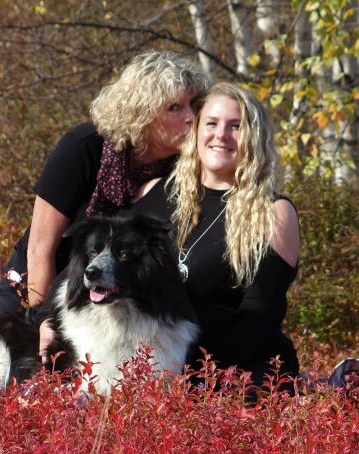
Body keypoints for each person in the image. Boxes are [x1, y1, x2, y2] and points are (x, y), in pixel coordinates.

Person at [0, 51, 209, 363]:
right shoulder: (83, 147)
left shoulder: (185, 170)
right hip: (35, 290)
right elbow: (39, 249)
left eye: (193, 106)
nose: (191, 117)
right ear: (142, 112)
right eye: (175, 108)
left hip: (106, 304)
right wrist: (43, 321)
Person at [124, 82, 301, 390]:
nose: (221, 135)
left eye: (236, 126)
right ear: (195, 130)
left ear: (253, 138)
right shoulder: (155, 192)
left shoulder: (273, 212)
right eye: (212, 123)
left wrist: (195, 381)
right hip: (153, 370)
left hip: (240, 375)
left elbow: (259, 320)